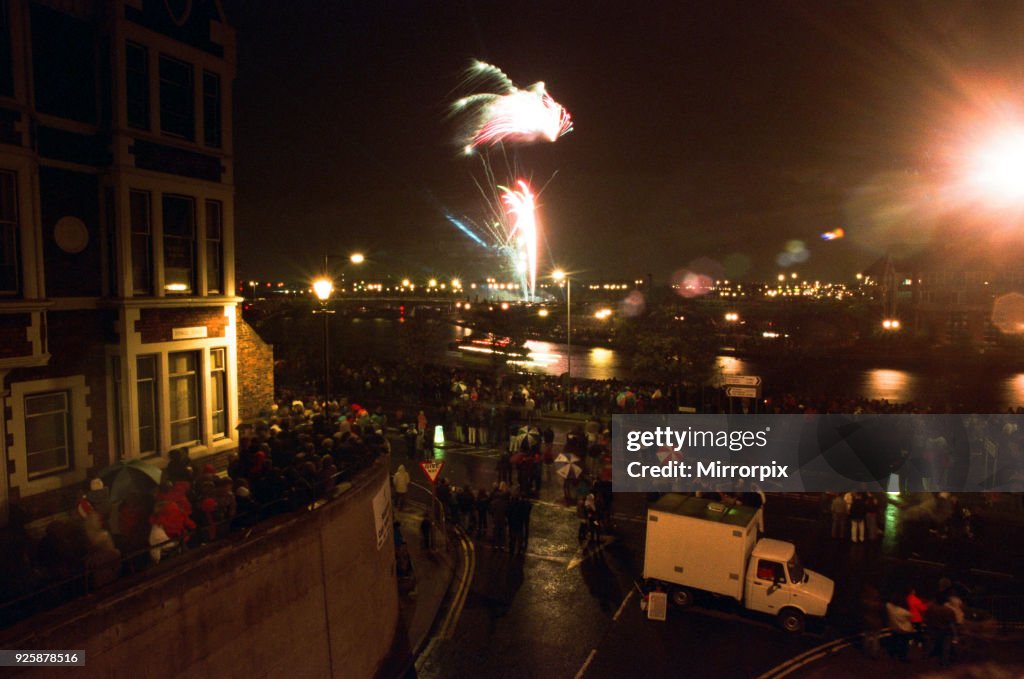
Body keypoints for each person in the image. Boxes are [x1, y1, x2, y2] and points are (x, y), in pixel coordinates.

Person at [886, 597, 913, 661]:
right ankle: (902, 656)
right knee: (904, 644)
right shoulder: (904, 612)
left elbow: (888, 604)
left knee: (894, 642)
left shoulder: (890, 608)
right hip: (904, 630)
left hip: (895, 628)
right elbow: (910, 617)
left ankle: (892, 653)